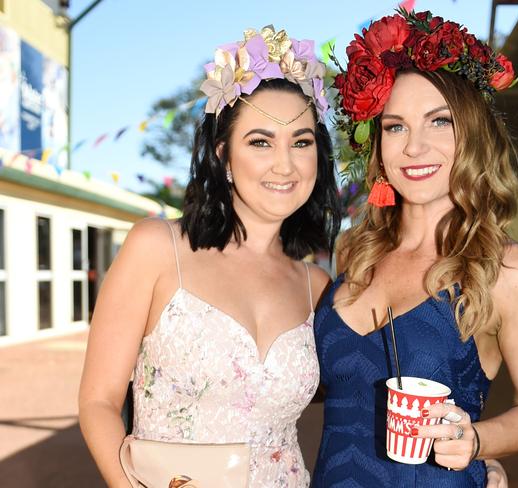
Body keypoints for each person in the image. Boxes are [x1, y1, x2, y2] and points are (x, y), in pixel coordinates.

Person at [78, 26, 341, 488]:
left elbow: (368, 400)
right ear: (223, 156)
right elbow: (98, 402)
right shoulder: (156, 248)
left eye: (301, 142)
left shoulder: (316, 286)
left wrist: (480, 460)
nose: (285, 165)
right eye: (261, 142)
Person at [312, 9, 518, 487]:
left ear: (471, 133)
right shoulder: (354, 251)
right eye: (396, 126)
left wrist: (478, 442)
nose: (414, 147)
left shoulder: (513, 271)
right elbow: (337, 385)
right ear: (377, 143)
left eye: (439, 122)